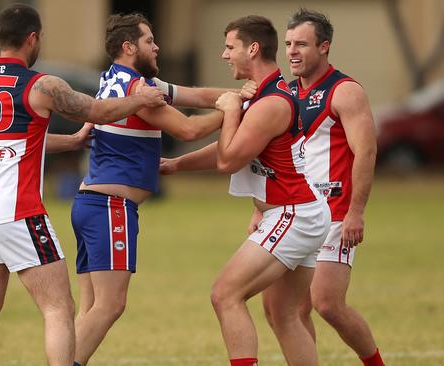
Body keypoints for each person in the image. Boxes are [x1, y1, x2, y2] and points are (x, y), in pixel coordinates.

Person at [0, 5, 166, 366]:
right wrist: (140, 99)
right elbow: (98, 110)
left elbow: (8, 143)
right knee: (59, 308)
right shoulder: (42, 84)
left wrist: (73, 141)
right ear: (32, 38)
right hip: (17, 212)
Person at [71, 13, 256, 366]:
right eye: (149, 41)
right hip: (110, 208)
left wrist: (243, 93)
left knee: (91, 309)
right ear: (129, 47)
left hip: (89, 204)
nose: (157, 47)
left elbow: (197, 95)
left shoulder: (115, 79)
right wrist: (233, 109)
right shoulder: (138, 92)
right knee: (110, 306)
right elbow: (187, 130)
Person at [159, 15, 331, 366]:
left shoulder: (270, 103)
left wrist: (232, 108)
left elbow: (228, 161)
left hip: (293, 213)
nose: (224, 55)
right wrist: (176, 165)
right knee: (282, 313)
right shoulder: (261, 95)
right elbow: (233, 148)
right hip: (298, 211)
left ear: (252, 49)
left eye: (230, 47)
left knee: (226, 295)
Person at [261, 9, 384, 366]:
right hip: (293, 211)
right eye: (288, 44)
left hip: (335, 213)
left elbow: (367, 151)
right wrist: (260, 209)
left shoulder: (345, 91)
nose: (292, 51)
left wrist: (356, 212)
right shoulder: (285, 94)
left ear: (324, 46)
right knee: (289, 309)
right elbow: (273, 154)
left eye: (301, 43)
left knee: (327, 302)